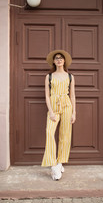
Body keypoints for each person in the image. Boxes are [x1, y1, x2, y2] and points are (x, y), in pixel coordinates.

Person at [41, 50, 76, 180]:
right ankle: (53, 164)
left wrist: (74, 112)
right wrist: (50, 111)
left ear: (64, 61)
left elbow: (72, 95)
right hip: (54, 107)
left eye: (61, 58)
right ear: (54, 61)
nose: (59, 60)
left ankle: (60, 162)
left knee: (65, 135)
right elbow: (46, 95)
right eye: (57, 58)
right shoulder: (49, 76)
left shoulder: (70, 77)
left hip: (67, 105)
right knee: (49, 132)